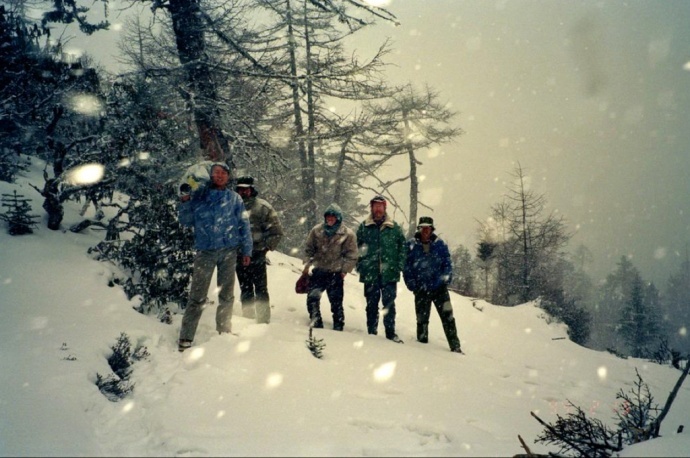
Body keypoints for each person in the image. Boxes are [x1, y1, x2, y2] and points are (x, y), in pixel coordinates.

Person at [177, 162, 253, 352]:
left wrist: (247, 250)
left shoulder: (235, 198)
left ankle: (224, 331)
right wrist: (185, 201)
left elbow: (244, 225)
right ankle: (186, 337)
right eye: (216, 173)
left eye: (223, 173)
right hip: (205, 252)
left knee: (227, 295)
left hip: (229, 251)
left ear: (228, 177)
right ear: (210, 176)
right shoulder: (200, 197)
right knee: (197, 296)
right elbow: (185, 221)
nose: (219, 176)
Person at [403, 216, 463, 353]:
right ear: (419, 228)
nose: (425, 230)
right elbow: (406, 267)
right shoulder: (411, 245)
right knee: (422, 320)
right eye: (423, 227)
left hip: (439, 289)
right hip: (421, 290)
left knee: (448, 318)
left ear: (432, 229)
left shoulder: (440, 245)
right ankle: (422, 349)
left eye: (428, 228)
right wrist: (412, 284)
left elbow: (447, 265)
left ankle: (455, 346)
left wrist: (442, 281)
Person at [356, 195, 407, 343]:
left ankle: (390, 334)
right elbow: (358, 248)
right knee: (371, 304)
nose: (378, 209)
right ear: (371, 207)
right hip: (370, 273)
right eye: (375, 206)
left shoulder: (394, 227)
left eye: (380, 206)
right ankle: (372, 333)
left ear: (385, 208)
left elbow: (402, 248)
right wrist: (361, 265)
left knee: (389, 305)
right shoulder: (364, 227)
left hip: (389, 274)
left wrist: (398, 265)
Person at [234, 176, 284, 324]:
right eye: (240, 189)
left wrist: (264, 248)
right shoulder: (231, 206)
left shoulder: (263, 207)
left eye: (246, 189)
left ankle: (263, 319)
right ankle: (247, 318)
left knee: (261, 288)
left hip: (257, 254)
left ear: (251, 190)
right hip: (238, 254)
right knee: (245, 288)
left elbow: (277, 232)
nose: (243, 192)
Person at [302, 204, 358, 330]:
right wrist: (308, 264)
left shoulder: (348, 234)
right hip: (318, 271)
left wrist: (344, 270)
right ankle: (316, 323)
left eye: (333, 217)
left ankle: (338, 327)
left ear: (338, 218)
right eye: (328, 216)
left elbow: (352, 255)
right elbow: (308, 249)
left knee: (336, 303)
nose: (330, 219)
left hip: (336, 273)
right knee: (313, 299)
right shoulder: (316, 231)